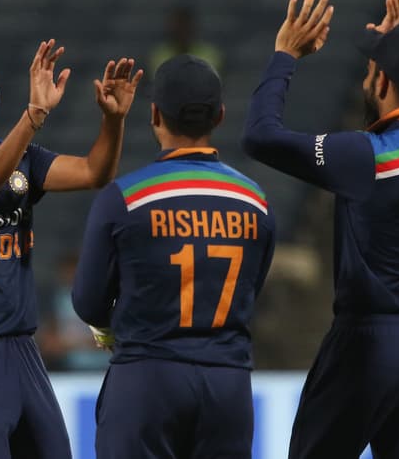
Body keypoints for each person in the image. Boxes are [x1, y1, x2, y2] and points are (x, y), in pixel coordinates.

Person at [241, 0, 399, 458]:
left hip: (369, 344)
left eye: (372, 69)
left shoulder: (365, 157)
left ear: (384, 82)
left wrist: (285, 55)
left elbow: (260, 136)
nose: (367, 75)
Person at [0, 35, 142, 459]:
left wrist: (113, 120)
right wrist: (34, 115)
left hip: (21, 346)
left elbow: (95, 173)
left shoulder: (22, 158)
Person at [72, 54, 276, 459]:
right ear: (219, 115)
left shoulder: (124, 198)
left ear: (154, 114)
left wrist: (112, 327)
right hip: (228, 386)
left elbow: (88, 301)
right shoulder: (256, 201)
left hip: (147, 379)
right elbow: (251, 288)